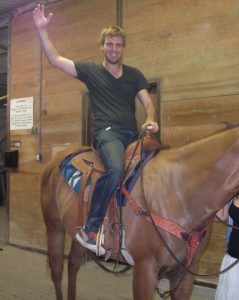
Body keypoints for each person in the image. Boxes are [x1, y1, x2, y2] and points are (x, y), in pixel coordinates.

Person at [32, 4, 159, 255]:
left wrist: (152, 119)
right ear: (102, 46)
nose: (114, 48)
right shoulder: (90, 71)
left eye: (118, 45)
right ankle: (90, 228)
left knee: (158, 164)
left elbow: (147, 102)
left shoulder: (134, 75)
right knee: (115, 169)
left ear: (123, 48)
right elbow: (55, 60)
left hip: (133, 133)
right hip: (108, 133)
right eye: (109, 44)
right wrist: (42, 31)